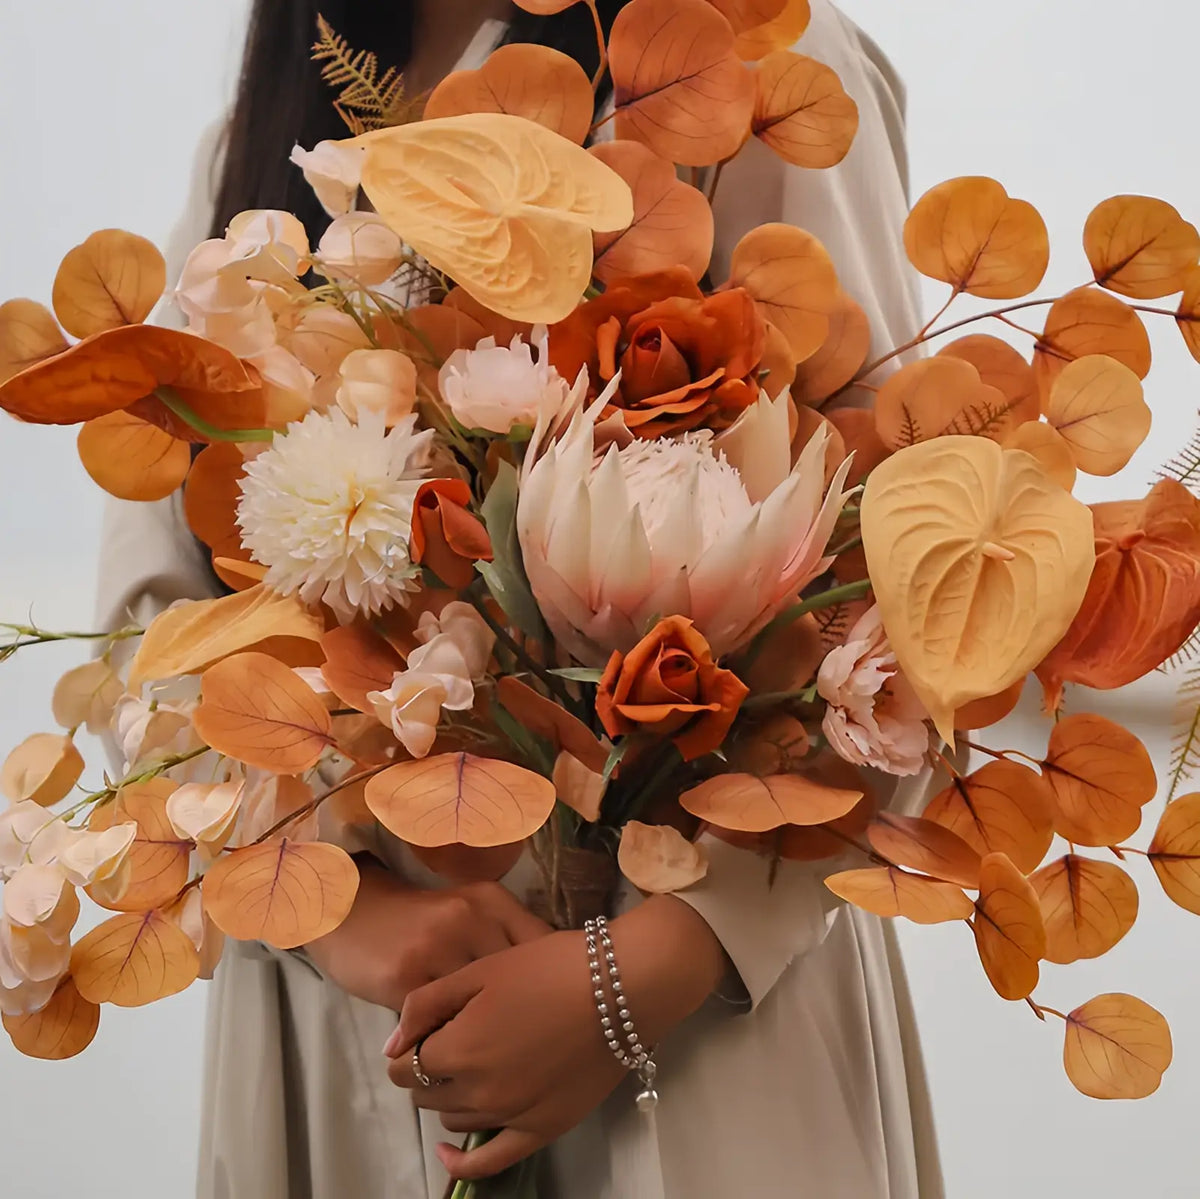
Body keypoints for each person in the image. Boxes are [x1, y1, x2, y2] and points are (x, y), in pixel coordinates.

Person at [95, 1, 945, 1195]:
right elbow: (155, 621)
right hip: (350, 1022)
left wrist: (659, 962)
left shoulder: (750, 63)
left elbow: (911, 571)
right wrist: (342, 918)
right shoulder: (254, 152)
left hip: (695, 1026)